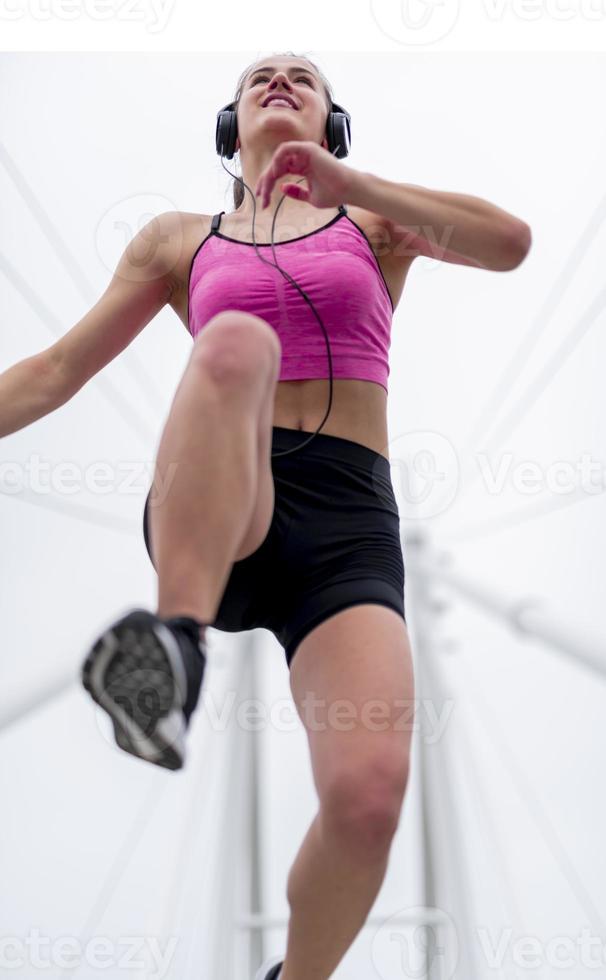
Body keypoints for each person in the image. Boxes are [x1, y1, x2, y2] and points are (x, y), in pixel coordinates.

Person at [0, 51, 531, 980]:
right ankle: (174, 646)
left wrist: (352, 182)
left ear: (331, 119)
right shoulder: (177, 241)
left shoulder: (374, 220)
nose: (280, 82)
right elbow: (52, 371)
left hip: (347, 519)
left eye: (304, 78)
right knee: (238, 340)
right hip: (224, 491)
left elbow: (507, 242)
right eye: (258, 77)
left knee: (369, 800)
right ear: (230, 122)